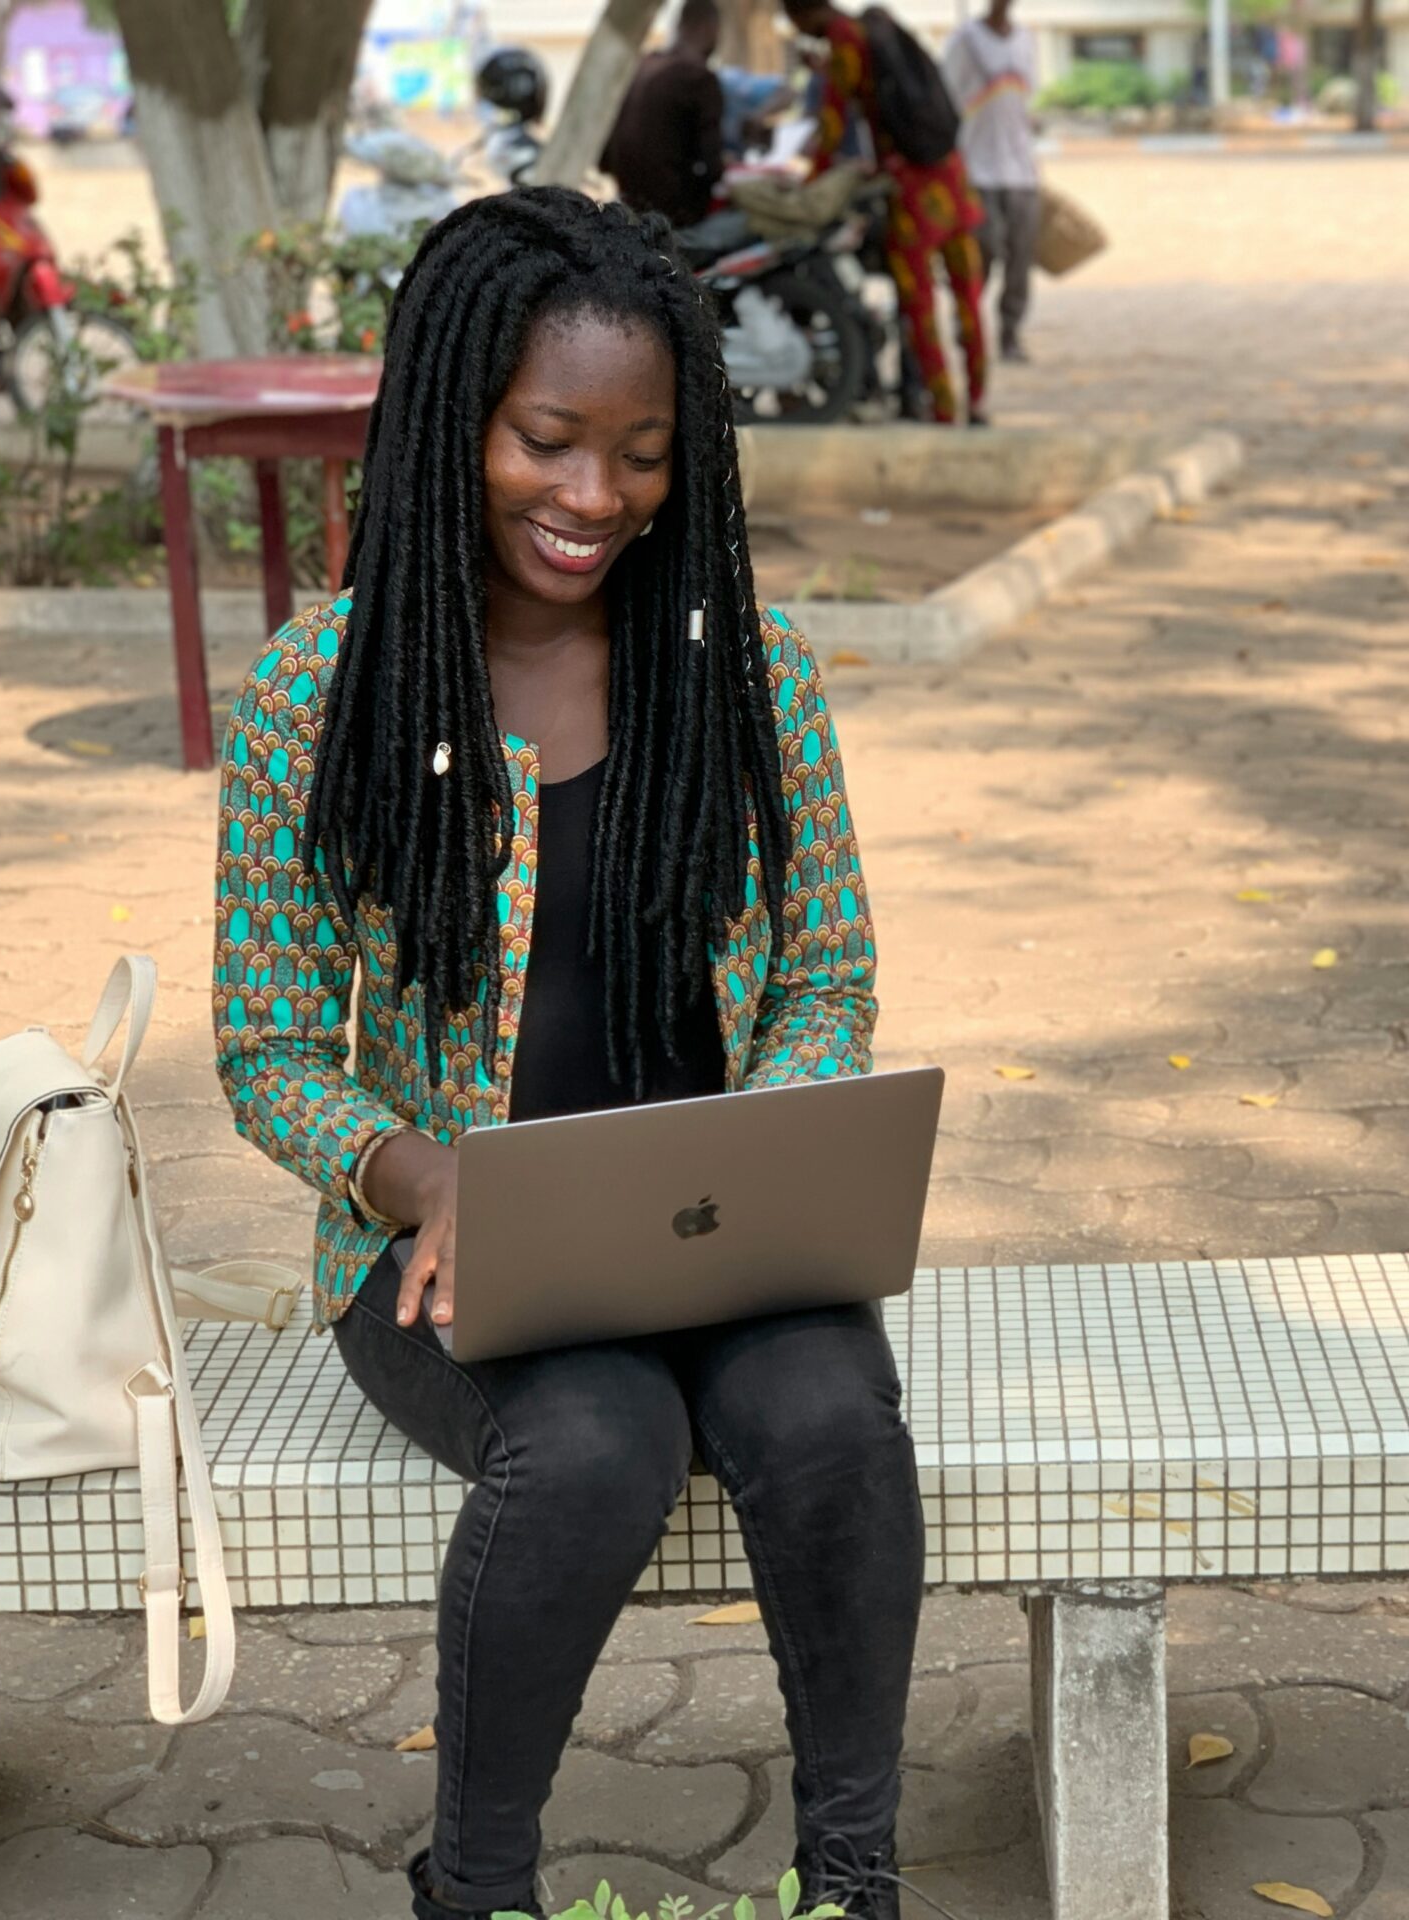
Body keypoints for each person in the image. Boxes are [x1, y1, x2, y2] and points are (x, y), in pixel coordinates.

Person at [211, 189, 921, 1920]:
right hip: (451, 1255)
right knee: (595, 1445)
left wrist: (776, 1134)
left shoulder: (744, 674)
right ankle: (476, 1888)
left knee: (831, 1413)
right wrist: (419, 1172)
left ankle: (854, 1881)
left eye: (644, 453)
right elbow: (271, 1042)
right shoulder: (327, 694)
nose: (594, 497)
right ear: (458, 415)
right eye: (547, 439)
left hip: (719, 1232)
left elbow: (827, 970)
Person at [786, 0, 989, 424]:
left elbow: (833, 122)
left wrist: (812, 185)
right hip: (952, 176)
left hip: (913, 193)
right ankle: (979, 400)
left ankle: (945, 411)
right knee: (968, 297)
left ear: (798, 15)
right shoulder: (877, 25)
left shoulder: (845, 39)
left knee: (920, 306)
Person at [939, 0, 1038, 364]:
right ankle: (967, 323)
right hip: (977, 167)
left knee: (1021, 259)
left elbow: (1027, 101)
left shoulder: (1026, 39)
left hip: (1021, 170)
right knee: (986, 250)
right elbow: (947, 97)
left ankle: (1009, 332)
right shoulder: (964, 40)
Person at [603, 0, 728, 229]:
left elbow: (604, 159)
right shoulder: (699, 77)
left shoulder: (640, 67)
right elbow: (713, 168)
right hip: (676, 218)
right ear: (711, 29)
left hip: (629, 207)